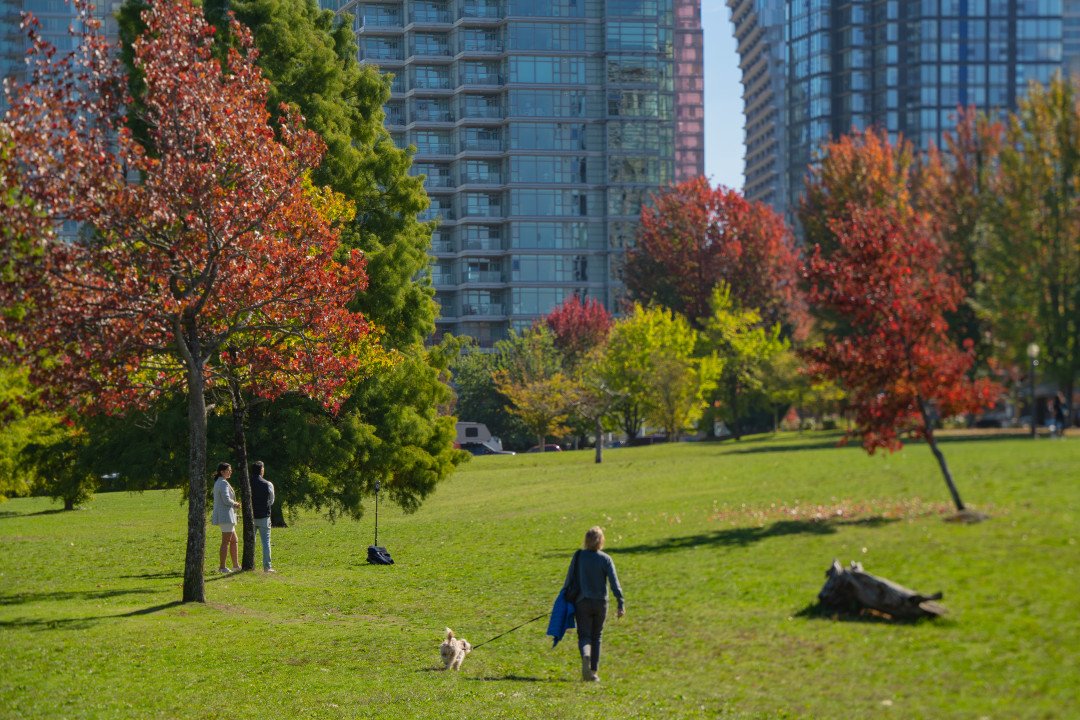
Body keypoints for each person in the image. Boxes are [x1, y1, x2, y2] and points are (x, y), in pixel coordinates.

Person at [562, 526, 625, 682]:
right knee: (597, 636)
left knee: (584, 636)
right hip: (601, 603)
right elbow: (614, 583)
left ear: (586, 540)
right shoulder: (605, 559)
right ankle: (594, 672)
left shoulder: (579, 556)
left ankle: (585, 655)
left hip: (582, 602)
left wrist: (563, 599)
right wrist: (620, 603)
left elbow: (569, 579)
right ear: (601, 541)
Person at [210, 462, 241, 573]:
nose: (230, 472)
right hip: (225, 516)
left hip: (227, 516)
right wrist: (236, 504)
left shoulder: (220, 482)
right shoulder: (222, 483)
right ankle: (222, 567)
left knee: (234, 540)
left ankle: (236, 565)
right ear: (222, 472)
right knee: (226, 541)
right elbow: (226, 500)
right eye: (228, 470)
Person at [249, 460, 276, 573]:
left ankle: (250, 565)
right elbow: (271, 500)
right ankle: (267, 566)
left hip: (251, 517)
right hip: (264, 516)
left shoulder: (247, 483)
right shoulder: (268, 484)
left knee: (251, 542)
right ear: (261, 470)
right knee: (266, 542)